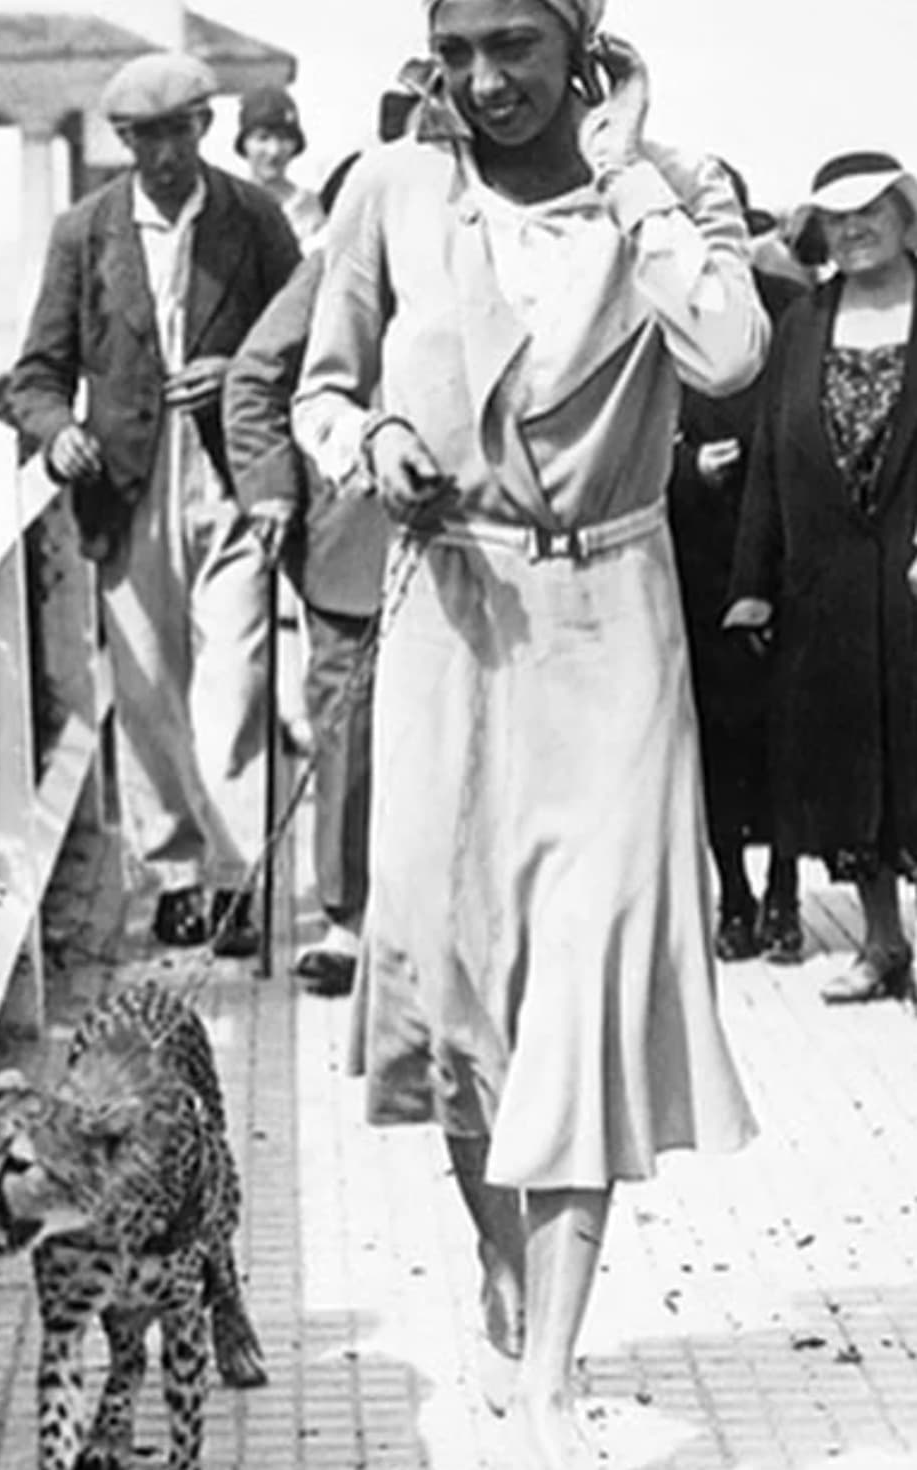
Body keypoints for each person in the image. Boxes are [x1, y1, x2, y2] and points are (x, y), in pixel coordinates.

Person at [292, 1, 763, 1462]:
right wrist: (369, 444)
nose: (487, 80)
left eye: (519, 44)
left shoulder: (678, 190)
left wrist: (628, 181)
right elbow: (317, 386)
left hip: (614, 626)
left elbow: (733, 352)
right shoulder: (394, 192)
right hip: (452, 619)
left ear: (585, 48)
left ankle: (548, 1376)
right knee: (452, 987)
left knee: (584, 986)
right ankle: (501, 1269)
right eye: (461, 47)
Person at [9, 52, 300, 956]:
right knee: (146, 689)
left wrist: (239, 371)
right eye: (146, 136)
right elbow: (37, 375)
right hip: (127, 490)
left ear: (206, 128)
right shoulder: (84, 234)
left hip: (231, 481)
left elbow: (308, 339)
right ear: (123, 140)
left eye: (180, 130)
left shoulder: (254, 220)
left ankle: (233, 881)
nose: (165, 153)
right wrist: (59, 433)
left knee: (236, 685)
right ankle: (173, 876)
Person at [727, 150, 917, 1006]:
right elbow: (770, 454)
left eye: (872, 209)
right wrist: (753, 581)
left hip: (913, 574)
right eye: (838, 217)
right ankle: (883, 943)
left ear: (906, 214)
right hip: (829, 583)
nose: (856, 228)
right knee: (849, 765)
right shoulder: (805, 322)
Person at [225, 152, 387, 999]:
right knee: (349, 737)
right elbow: (253, 380)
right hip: (354, 545)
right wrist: (274, 491)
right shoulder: (329, 267)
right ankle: (346, 918)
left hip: (477, 539)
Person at [667, 162, 805, 964]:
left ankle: (788, 894)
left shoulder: (788, 311)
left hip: (787, 558)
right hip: (695, 557)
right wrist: (689, 471)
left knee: (788, 736)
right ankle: (736, 897)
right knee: (716, 739)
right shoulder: (654, 317)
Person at [234, 86, 326, 249]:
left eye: (283, 139)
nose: (274, 151)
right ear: (245, 144)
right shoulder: (229, 202)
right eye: (262, 138)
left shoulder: (308, 207)